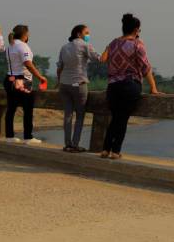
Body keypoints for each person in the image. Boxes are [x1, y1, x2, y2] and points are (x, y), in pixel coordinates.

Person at [99, 13, 161, 159]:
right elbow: (145, 67)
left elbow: (104, 59)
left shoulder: (113, 43)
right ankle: (115, 151)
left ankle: (105, 149)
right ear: (136, 30)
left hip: (113, 86)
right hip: (130, 85)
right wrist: (153, 88)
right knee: (122, 119)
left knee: (115, 117)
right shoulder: (137, 44)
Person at [56, 24, 100, 152]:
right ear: (79, 34)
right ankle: (75, 145)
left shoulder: (64, 47)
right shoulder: (85, 45)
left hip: (64, 85)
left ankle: (67, 144)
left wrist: (59, 81)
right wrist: (108, 50)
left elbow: (60, 67)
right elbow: (99, 58)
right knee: (80, 115)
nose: (88, 35)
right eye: (86, 32)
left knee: (68, 115)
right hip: (78, 84)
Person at [4, 24, 48, 144]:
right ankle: (28, 137)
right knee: (28, 109)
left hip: (10, 79)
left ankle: (9, 136)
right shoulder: (23, 46)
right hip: (22, 80)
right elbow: (28, 63)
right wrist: (40, 77)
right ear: (25, 35)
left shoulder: (10, 46)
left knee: (11, 109)